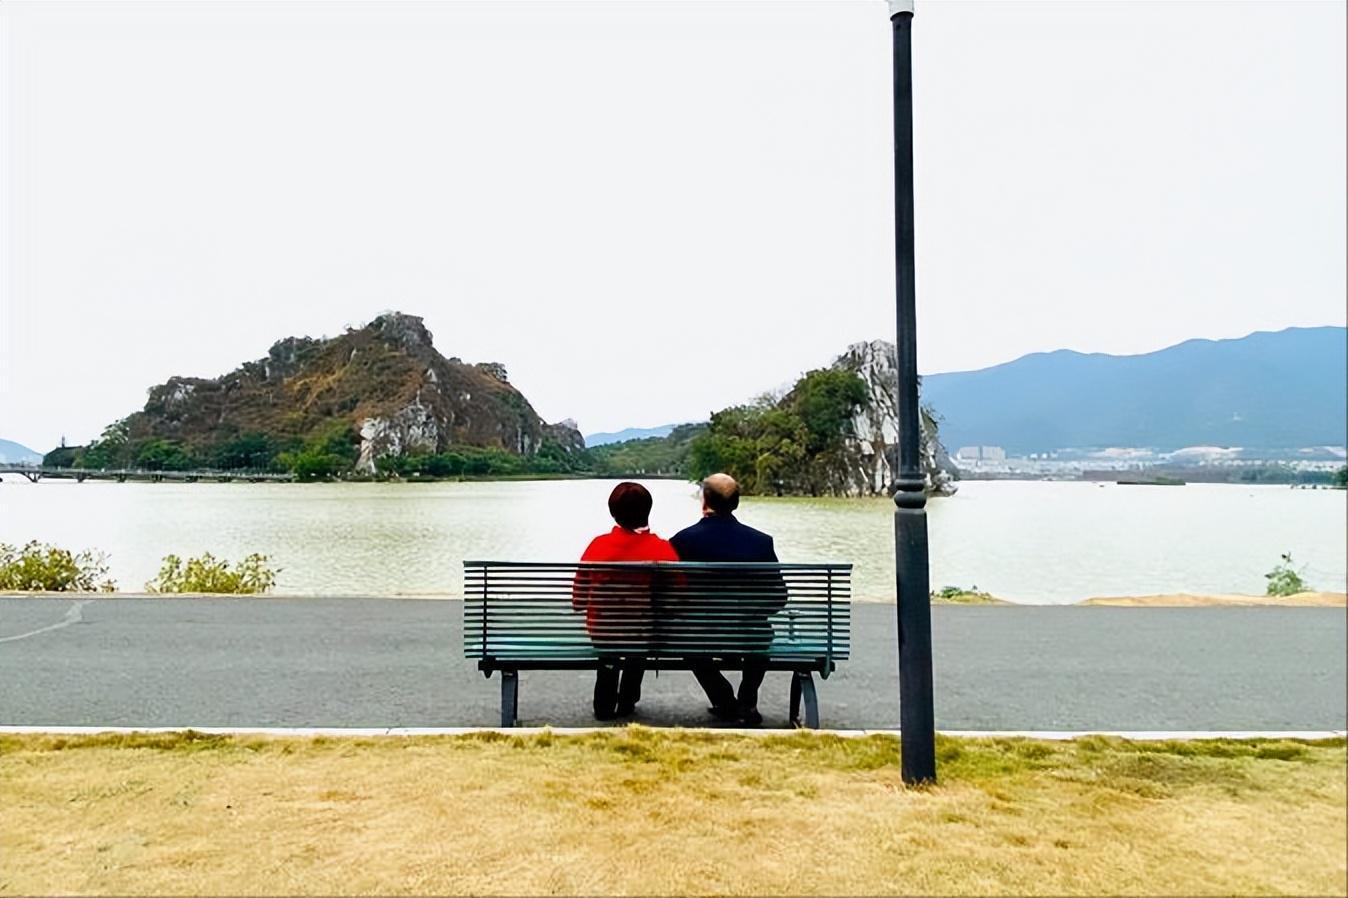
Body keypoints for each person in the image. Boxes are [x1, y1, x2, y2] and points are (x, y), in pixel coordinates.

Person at [670, 472, 783, 726]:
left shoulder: (682, 541)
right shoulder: (761, 542)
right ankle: (747, 699)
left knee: (687, 641)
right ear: (736, 503)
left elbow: (672, 596)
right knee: (760, 637)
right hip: (749, 634)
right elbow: (778, 597)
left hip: (699, 635)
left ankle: (723, 698)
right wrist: (749, 613)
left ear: (704, 501)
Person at [573, 481, 679, 720]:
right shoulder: (661, 549)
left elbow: (578, 600)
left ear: (613, 513)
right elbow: (677, 598)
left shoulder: (597, 546)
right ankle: (627, 699)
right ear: (648, 510)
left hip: (603, 631)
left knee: (610, 646)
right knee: (639, 641)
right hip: (642, 632)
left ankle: (604, 703)